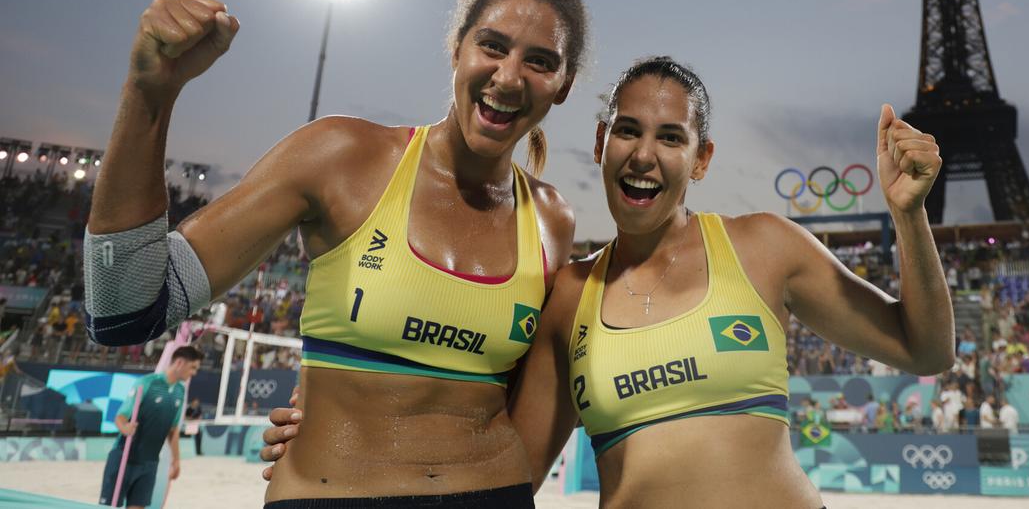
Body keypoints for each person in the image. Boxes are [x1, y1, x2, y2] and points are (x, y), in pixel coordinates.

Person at [266, 57, 954, 508]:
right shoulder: (566, 297)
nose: (643, 155)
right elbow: (512, 466)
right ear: (600, 143)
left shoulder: (763, 246)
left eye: (670, 137)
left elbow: (923, 351)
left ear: (702, 157)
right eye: (626, 131)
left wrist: (907, 215)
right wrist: (343, 426)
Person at [84, 0, 587, 508]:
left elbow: (531, 401)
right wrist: (148, 95)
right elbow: (123, 308)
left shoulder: (550, 220)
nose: (509, 77)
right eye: (492, 46)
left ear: (562, 87)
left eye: (540, 62)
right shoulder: (342, 157)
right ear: (456, 48)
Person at [99, 346, 202, 508]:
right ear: (180, 363)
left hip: (150, 463)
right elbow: (120, 417)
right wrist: (125, 428)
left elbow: (173, 430)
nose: (194, 373)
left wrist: (176, 461)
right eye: (193, 367)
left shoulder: (180, 392)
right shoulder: (146, 383)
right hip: (124, 458)